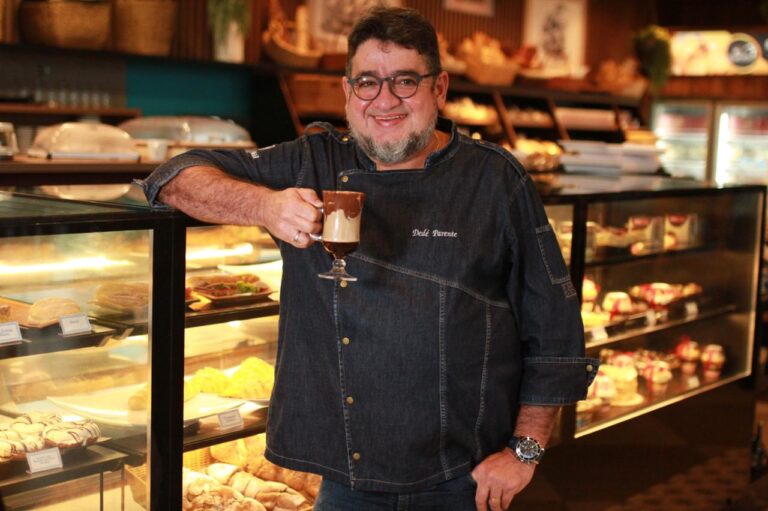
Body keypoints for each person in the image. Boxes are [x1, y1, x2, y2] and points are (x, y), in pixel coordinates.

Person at [139, 7, 597, 510]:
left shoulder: (493, 180)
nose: (384, 100)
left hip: (463, 476)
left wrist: (524, 451)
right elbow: (173, 177)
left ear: (439, 88)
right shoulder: (313, 161)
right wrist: (264, 206)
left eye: (405, 81)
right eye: (367, 82)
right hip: (345, 481)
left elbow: (553, 328)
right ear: (347, 91)